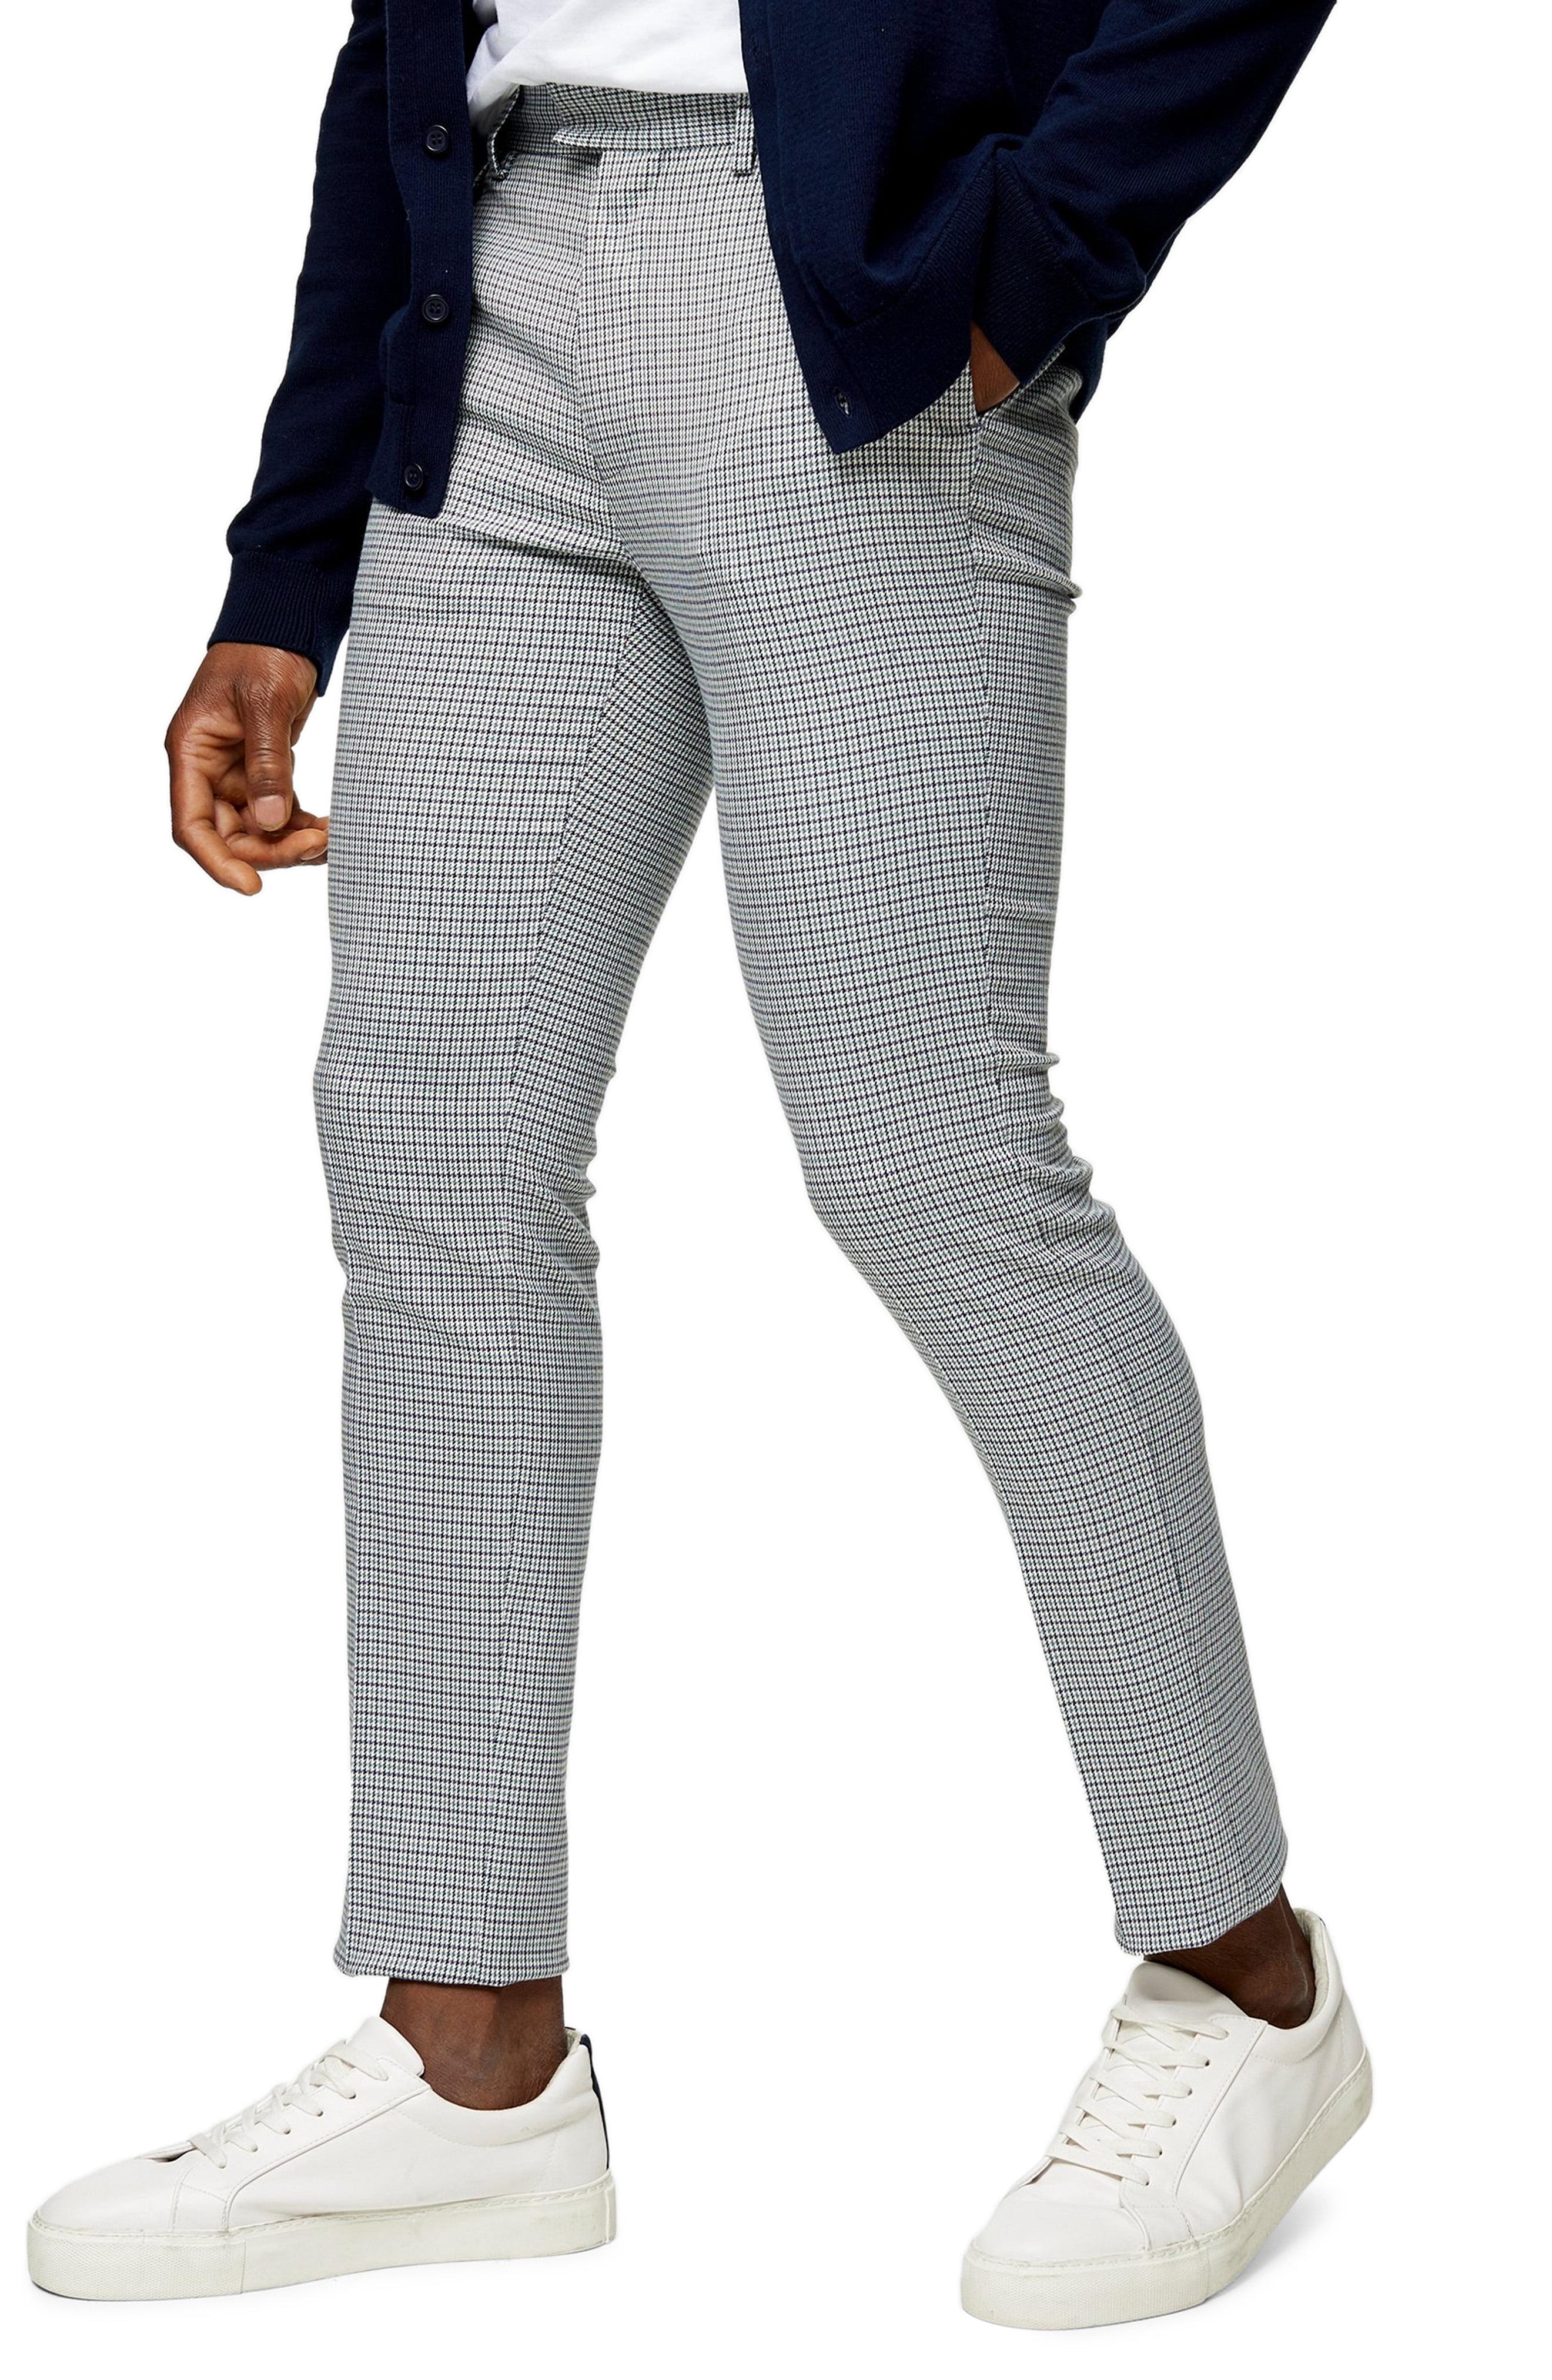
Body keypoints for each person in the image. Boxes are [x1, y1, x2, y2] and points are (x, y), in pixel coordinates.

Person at [26, 0, 1369, 2329]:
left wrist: (1033, 259)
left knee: (935, 1163)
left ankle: (1246, 1977)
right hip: (487, 310)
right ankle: (470, 2052)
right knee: (433, 1156)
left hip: (853, 302)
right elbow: (394, 38)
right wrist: (284, 567)